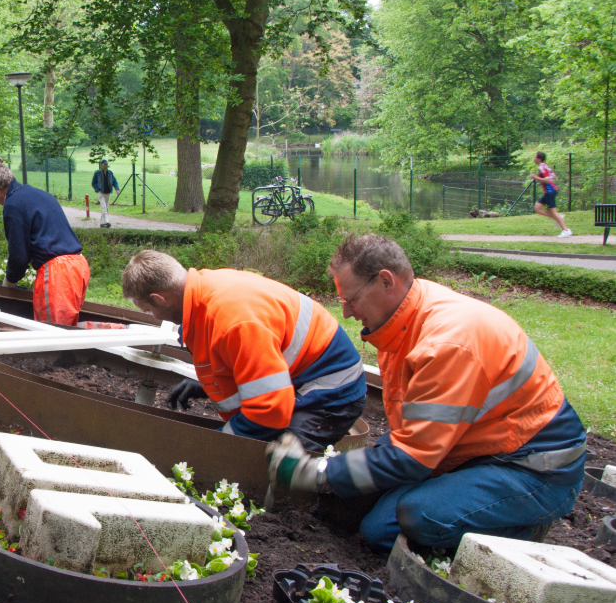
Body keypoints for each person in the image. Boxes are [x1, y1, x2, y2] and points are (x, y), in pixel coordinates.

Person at [267, 234, 586, 554]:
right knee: (374, 525)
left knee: (417, 518)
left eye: (352, 300)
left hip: (535, 468)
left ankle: (519, 532)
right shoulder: (403, 322)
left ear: (386, 281)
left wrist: (314, 472)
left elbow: (413, 458)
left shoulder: (446, 342)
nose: (347, 312)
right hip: (474, 450)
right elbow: (412, 431)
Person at [121, 250, 367, 451]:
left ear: (160, 299)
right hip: (300, 374)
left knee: (276, 459)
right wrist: (209, 386)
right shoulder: (205, 294)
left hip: (332, 385)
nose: (152, 316)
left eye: (147, 310)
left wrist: (212, 447)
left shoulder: (233, 321)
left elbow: (269, 410)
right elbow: (252, 365)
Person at [0, 160, 90, 325]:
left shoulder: (13, 204)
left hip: (58, 273)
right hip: (78, 266)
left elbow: (19, 255)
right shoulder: (38, 194)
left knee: (52, 333)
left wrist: (9, 283)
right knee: (68, 328)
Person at [530, 151, 571, 238]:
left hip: (550, 191)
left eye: (535, 157)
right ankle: (558, 218)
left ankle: (566, 230)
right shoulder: (544, 166)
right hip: (548, 192)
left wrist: (535, 177)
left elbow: (548, 180)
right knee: (537, 208)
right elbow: (553, 175)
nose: (534, 158)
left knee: (553, 212)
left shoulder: (542, 168)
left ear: (539, 158)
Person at [91, 160, 121, 229]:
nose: (106, 165)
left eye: (107, 164)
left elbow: (114, 182)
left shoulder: (110, 173)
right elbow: (93, 183)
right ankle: (106, 222)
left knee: (106, 208)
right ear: (101, 165)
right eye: (104, 164)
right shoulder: (97, 173)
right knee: (104, 208)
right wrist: (97, 189)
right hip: (101, 193)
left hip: (108, 193)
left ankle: (102, 223)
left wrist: (117, 189)